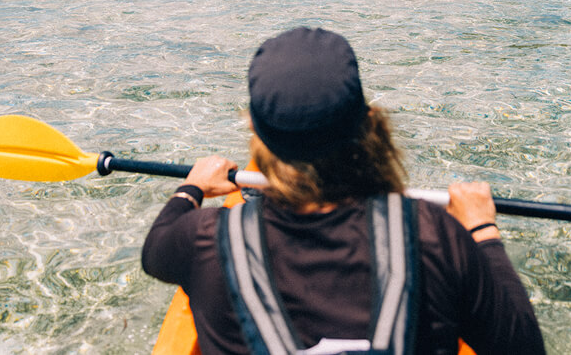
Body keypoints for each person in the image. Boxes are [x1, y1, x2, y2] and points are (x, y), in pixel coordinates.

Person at [142, 27, 545, 355]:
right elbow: (522, 348)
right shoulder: (433, 235)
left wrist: (192, 187)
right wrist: (481, 230)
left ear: (255, 131)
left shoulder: (204, 239)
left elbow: (155, 253)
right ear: (369, 123)